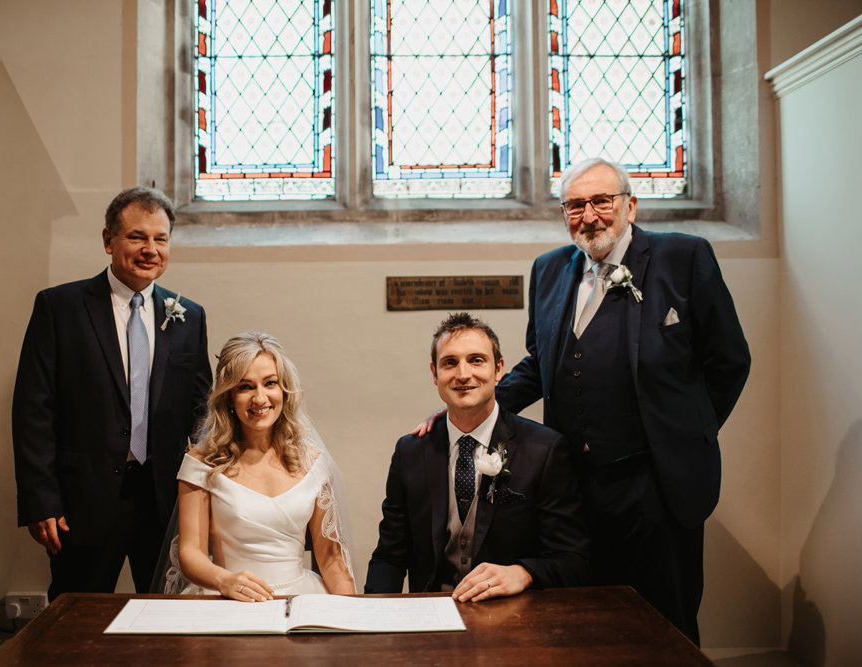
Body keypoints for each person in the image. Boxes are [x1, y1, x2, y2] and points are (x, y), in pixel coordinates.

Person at [417, 158, 751, 643]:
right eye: (575, 205)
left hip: (654, 484)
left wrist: (685, 431)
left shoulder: (684, 257)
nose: (589, 215)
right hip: (572, 485)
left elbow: (730, 361)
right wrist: (464, 411)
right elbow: (541, 362)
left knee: (664, 624)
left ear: (630, 205)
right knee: (579, 622)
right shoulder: (550, 269)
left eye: (601, 201)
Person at [12, 186, 212, 599]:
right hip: (82, 499)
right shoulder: (60, 308)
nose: (150, 249)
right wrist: (40, 500)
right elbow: (34, 410)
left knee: (167, 619)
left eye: (160, 239)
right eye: (137, 237)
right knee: (75, 619)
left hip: (164, 500)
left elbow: (204, 414)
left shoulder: (188, 316)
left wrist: (219, 493)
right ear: (108, 240)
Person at [365, 313, 589, 601]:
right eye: (450, 363)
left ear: (498, 369)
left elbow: (574, 560)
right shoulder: (410, 452)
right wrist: (371, 615)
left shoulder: (544, 449)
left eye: (476, 360)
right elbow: (390, 557)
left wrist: (524, 572)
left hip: (515, 616)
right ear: (435, 374)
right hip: (433, 617)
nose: (462, 374)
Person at [161, 332, 355, 600]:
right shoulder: (202, 462)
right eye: (245, 387)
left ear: (284, 389)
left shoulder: (312, 461)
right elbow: (190, 553)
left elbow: (332, 559)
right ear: (229, 397)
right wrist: (225, 580)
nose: (260, 398)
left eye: (270, 383)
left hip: (300, 598)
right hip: (227, 597)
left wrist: (352, 616)